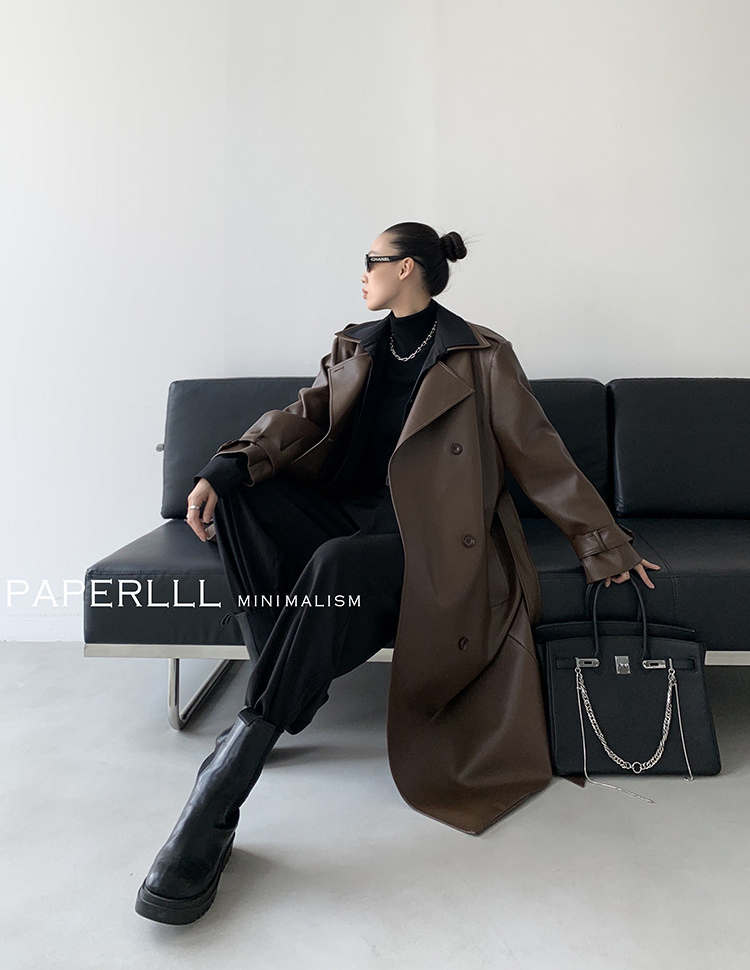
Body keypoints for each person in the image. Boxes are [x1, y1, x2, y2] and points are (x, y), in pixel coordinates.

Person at [135, 221, 659, 925]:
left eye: (371, 261)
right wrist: (222, 469)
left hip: (436, 538)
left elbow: (540, 454)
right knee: (241, 496)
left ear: (407, 268)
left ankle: (225, 780)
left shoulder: (481, 355)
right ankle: (287, 680)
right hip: (350, 515)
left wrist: (604, 544)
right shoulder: (357, 345)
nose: (362, 273)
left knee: (335, 563)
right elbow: (301, 416)